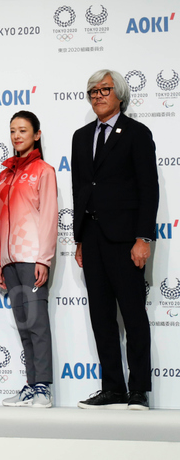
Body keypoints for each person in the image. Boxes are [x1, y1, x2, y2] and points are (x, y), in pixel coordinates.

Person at [72, 69, 159, 410]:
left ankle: (138, 390)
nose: (97, 95)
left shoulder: (137, 133)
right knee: (101, 316)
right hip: (92, 238)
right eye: (92, 91)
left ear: (120, 94)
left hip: (126, 239)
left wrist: (143, 237)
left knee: (133, 315)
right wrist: (79, 238)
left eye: (104, 89)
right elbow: (80, 189)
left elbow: (148, 188)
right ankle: (113, 388)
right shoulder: (81, 137)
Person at [0, 111, 57, 408]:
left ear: (36, 135)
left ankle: (43, 388)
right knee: (24, 325)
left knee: (37, 324)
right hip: (9, 261)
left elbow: (49, 217)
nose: (16, 136)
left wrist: (43, 258)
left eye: (23, 130)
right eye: (12, 131)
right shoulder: (5, 174)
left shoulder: (44, 170)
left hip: (32, 257)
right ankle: (32, 385)